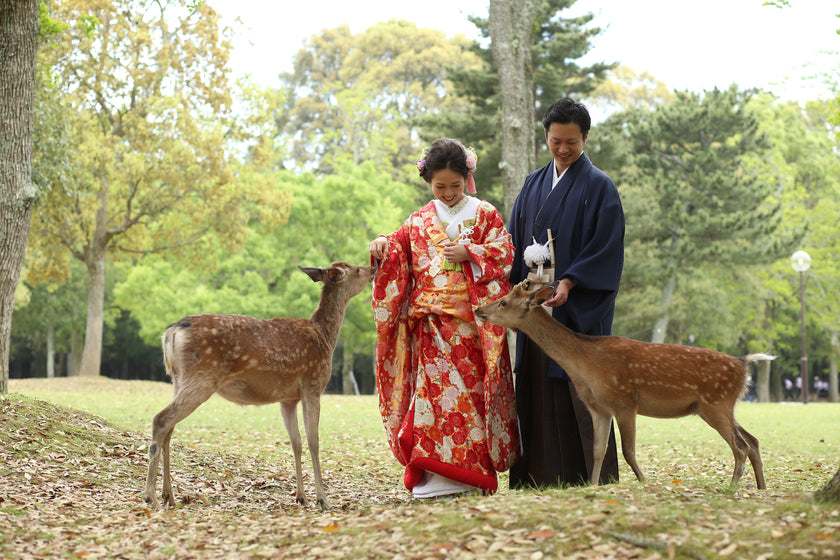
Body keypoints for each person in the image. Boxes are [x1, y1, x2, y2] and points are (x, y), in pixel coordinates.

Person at [369, 138, 520, 499]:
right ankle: (433, 478)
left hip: (470, 326)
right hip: (431, 325)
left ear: (466, 177)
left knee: (469, 396)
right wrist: (381, 242)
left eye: (455, 185)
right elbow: (398, 248)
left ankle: (471, 477)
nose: (449, 193)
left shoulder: (484, 213)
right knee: (432, 398)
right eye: (440, 186)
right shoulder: (418, 220)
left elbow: (505, 253)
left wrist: (470, 251)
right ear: (428, 182)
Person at [507, 98, 625, 489]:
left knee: (579, 386)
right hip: (536, 307)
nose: (563, 149)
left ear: (585, 138)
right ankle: (538, 476)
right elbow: (513, 242)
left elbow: (606, 249)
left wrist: (571, 281)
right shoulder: (532, 183)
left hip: (574, 307)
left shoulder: (600, 186)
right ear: (546, 137)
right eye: (556, 141)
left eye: (571, 142)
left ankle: (591, 477)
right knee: (538, 385)